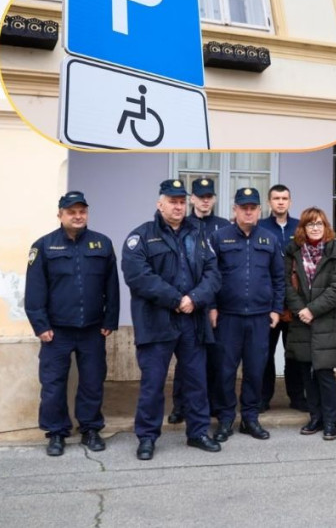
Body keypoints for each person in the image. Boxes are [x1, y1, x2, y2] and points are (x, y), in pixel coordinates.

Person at [121, 180, 222, 460]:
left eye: (181, 201)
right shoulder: (140, 237)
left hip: (192, 320)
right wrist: (177, 300)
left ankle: (198, 432)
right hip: (156, 321)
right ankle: (147, 437)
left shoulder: (199, 234)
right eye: (171, 201)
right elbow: (139, 277)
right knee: (153, 383)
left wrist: (195, 299)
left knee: (196, 381)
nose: (177, 206)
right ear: (159, 203)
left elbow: (213, 273)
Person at [24, 191, 119, 456]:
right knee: (53, 384)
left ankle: (90, 428)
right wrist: (41, 325)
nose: (78, 216)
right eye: (72, 212)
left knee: (92, 382)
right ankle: (56, 433)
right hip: (56, 331)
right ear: (60, 215)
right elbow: (34, 291)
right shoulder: (43, 246)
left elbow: (112, 287)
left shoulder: (102, 244)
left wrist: (110, 319)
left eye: (82, 211)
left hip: (92, 329)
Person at [209, 188, 284, 443]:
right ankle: (226, 418)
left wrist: (276, 308)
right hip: (227, 317)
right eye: (243, 207)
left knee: (255, 370)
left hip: (260, 317)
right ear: (235, 210)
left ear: (259, 210)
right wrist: (212, 307)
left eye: (252, 207)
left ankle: (250, 418)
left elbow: (278, 278)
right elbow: (210, 276)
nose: (248, 211)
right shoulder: (220, 238)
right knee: (225, 371)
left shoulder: (269, 239)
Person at [170, 177, 231, 425]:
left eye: (209, 196)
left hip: (216, 300)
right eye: (200, 196)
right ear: (192, 198)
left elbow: (221, 268)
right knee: (187, 360)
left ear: (214, 199)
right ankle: (180, 406)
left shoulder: (223, 226)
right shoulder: (183, 224)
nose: (205, 201)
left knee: (215, 357)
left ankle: (212, 404)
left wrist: (214, 305)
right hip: (188, 303)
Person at [284, 208, 336, 441]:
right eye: (310, 224)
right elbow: (285, 285)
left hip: (327, 320)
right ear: (303, 227)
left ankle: (331, 421)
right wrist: (301, 310)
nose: (315, 228)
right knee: (306, 372)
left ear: (326, 227)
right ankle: (315, 417)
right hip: (301, 320)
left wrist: (313, 309)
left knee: (324, 373)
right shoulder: (292, 251)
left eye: (319, 224)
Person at [258, 184, 303, 412]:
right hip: (269, 303)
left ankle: (297, 397)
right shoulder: (260, 227)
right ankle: (263, 398)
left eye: (285, 198)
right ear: (269, 203)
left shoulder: (300, 227)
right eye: (276, 198)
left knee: (294, 353)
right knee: (264, 353)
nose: (281, 202)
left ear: (290, 202)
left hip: (295, 303)